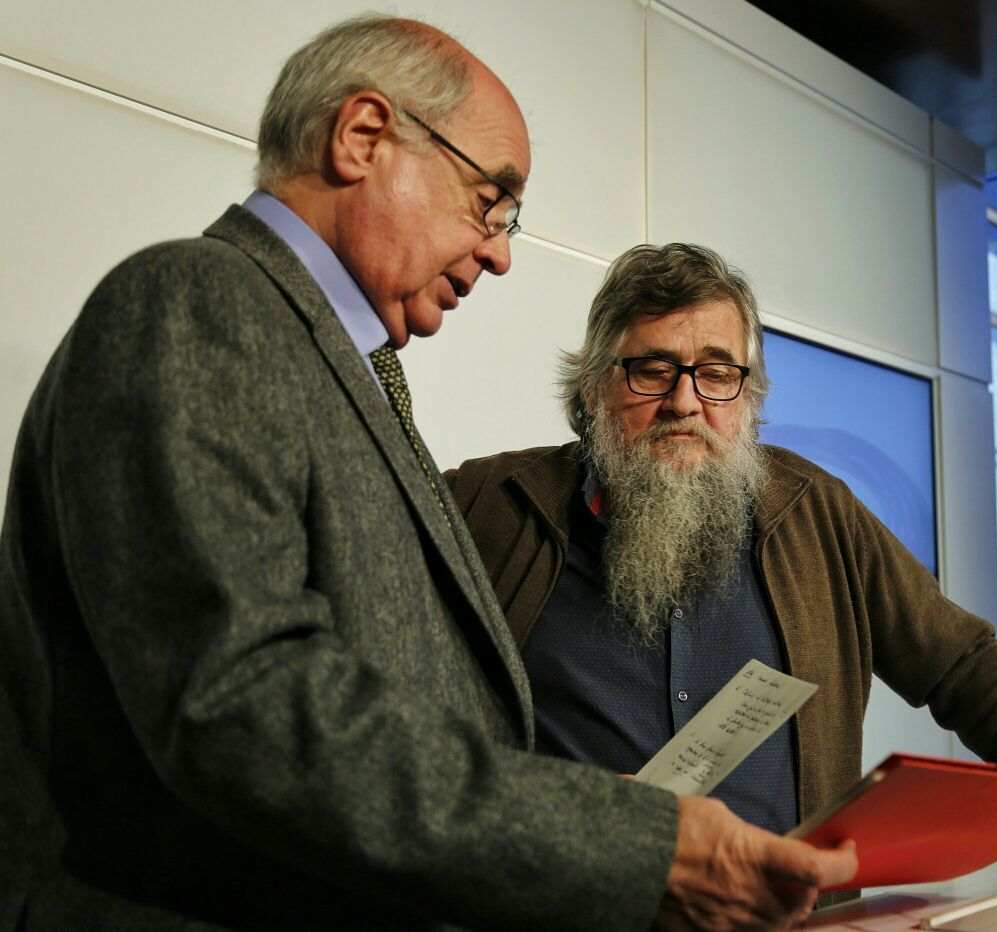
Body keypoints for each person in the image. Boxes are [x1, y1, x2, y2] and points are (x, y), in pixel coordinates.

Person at [0, 19, 854, 931]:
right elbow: (244, 703)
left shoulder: (334, 361)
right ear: (363, 136)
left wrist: (578, 822)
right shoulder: (198, 303)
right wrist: (634, 845)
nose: (500, 251)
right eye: (491, 200)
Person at [445, 243, 997, 845]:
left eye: (716, 374)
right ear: (592, 388)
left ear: (748, 398)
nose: (685, 402)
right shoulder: (487, 509)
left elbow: (962, 665)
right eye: (652, 371)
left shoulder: (816, 513)